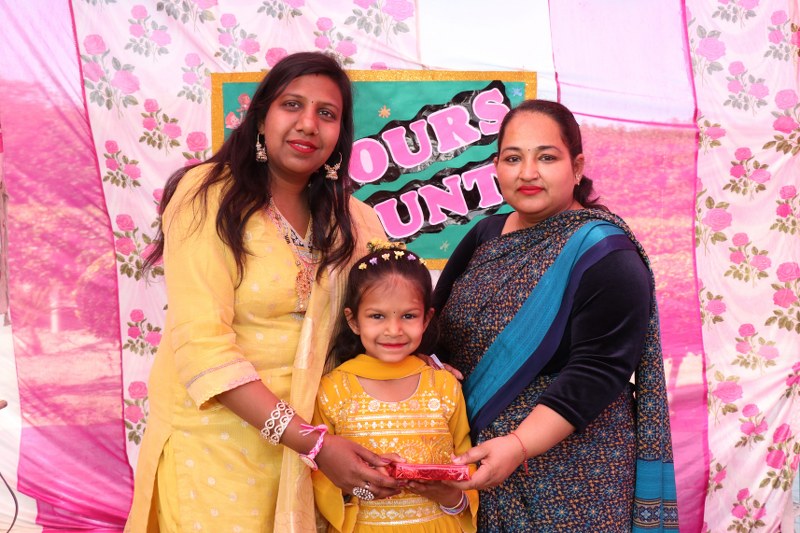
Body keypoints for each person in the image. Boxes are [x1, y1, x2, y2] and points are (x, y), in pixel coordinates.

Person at [125, 52, 401, 532]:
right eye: (292, 105)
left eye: (327, 113)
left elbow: (389, 308)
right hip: (215, 452)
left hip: (317, 456)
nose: (308, 123)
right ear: (260, 118)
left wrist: (425, 363)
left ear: (340, 135)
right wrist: (314, 443)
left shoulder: (357, 221)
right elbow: (203, 347)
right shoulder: (207, 196)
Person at [432, 100, 678, 532]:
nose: (527, 173)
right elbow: (433, 323)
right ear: (496, 167)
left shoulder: (605, 254)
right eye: (513, 158)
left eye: (546, 157)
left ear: (576, 166)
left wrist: (518, 445)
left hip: (574, 475)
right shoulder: (486, 233)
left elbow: (598, 370)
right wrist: (428, 362)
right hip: (477, 459)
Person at [311, 240, 478, 532]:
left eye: (408, 316)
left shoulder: (443, 385)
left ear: (426, 319)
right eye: (377, 316)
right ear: (353, 320)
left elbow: (466, 463)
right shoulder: (332, 390)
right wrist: (362, 483)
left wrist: (452, 496)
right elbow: (320, 475)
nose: (393, 330)